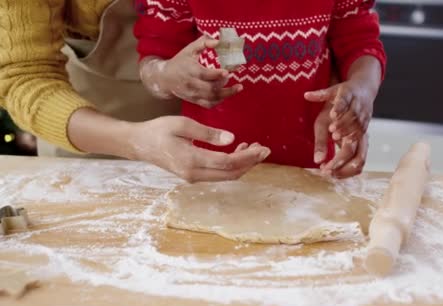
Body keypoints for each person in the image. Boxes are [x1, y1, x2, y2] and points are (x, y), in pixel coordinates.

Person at [0, 0, 382, 182]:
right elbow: (23, 74)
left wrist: (352, 103)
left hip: (292, 152)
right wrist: (136, 133)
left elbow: (350, 35)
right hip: (102, 143)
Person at [134, 0, 386, 177]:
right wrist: (168, 76)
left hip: (312, 165)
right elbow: (154, 58)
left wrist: (362, 89)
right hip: (211, 166)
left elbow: (359, 41)